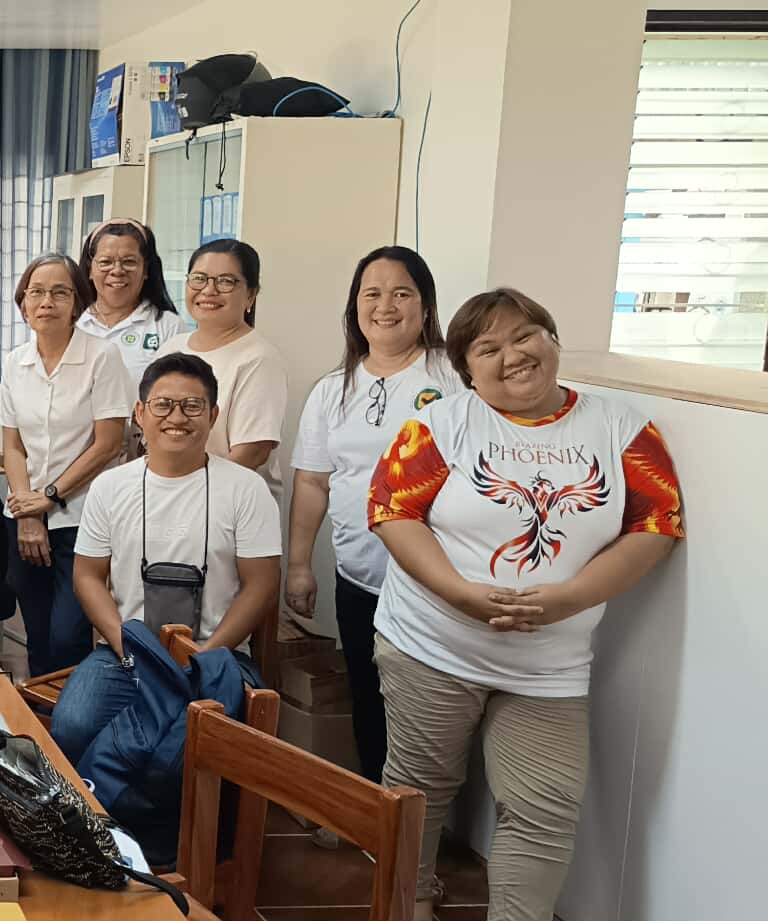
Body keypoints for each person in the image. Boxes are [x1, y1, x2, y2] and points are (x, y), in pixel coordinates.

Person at [368, 289, 682, 921]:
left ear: (552, 339)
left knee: (545, 807)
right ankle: (410, 902)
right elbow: (392, 511)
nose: (512, 355)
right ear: (467, 369)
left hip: (550, 665)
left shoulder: (622, 428)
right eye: (488, 348)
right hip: (432, 643)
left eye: (525, 335)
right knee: (419, 790)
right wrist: (459, 592)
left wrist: (571, 597)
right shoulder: (439, 425)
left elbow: (657, 524)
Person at [284, 245, 464, 784]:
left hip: (437, 581)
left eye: (401, 293)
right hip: (359, 577)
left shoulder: (453, 376)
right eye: (372, 294)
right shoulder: (332, 389)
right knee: (368, 694)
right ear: (355, 307)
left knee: (430, 706)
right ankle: (377, 808)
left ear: (425, 307)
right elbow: (313, 482)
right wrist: (299, 565)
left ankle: (424, 818)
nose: (386, 306)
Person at [49, 353, 282, 760]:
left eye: (192, 406)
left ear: (213, 415)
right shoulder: (110, 487)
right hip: (124, 654)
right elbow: (87, 576)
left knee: (186, 749)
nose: (177, 417)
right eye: (163, 405)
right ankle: (98, 801)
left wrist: (206, 656)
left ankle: (155, 804)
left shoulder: (246, 488)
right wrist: (126, 645)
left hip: (217, 654)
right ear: (140, 413)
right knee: (72, 726)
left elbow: (261, 584)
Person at [0, 253, 132, 677]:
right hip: (24, 516)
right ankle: (40, 714)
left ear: (78, 303)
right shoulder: (16, 362)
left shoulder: (102, 356)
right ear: (23, 303)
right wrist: (27, 510)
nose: (46, 302)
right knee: (37, 634)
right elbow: (13, 447)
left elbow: (108, 443)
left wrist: (49, 498)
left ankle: (72, 714)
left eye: (59, 292)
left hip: (83, 516)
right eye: (36, 292)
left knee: (67, 635)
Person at [162, 239, 289, 499]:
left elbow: (252, 451)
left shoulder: (259, 358)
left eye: (225, 281)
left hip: (228, 503)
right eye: (199, 279)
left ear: (251, 295)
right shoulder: (171, 348)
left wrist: (190, 497)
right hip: (167, 497)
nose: (209, 290)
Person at [77, 219, 185, 384]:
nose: (117, 271)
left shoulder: (169, 327)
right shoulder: (71, 322)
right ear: (90, 269)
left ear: (146, 269)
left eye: (129, 262)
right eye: (106, 262)